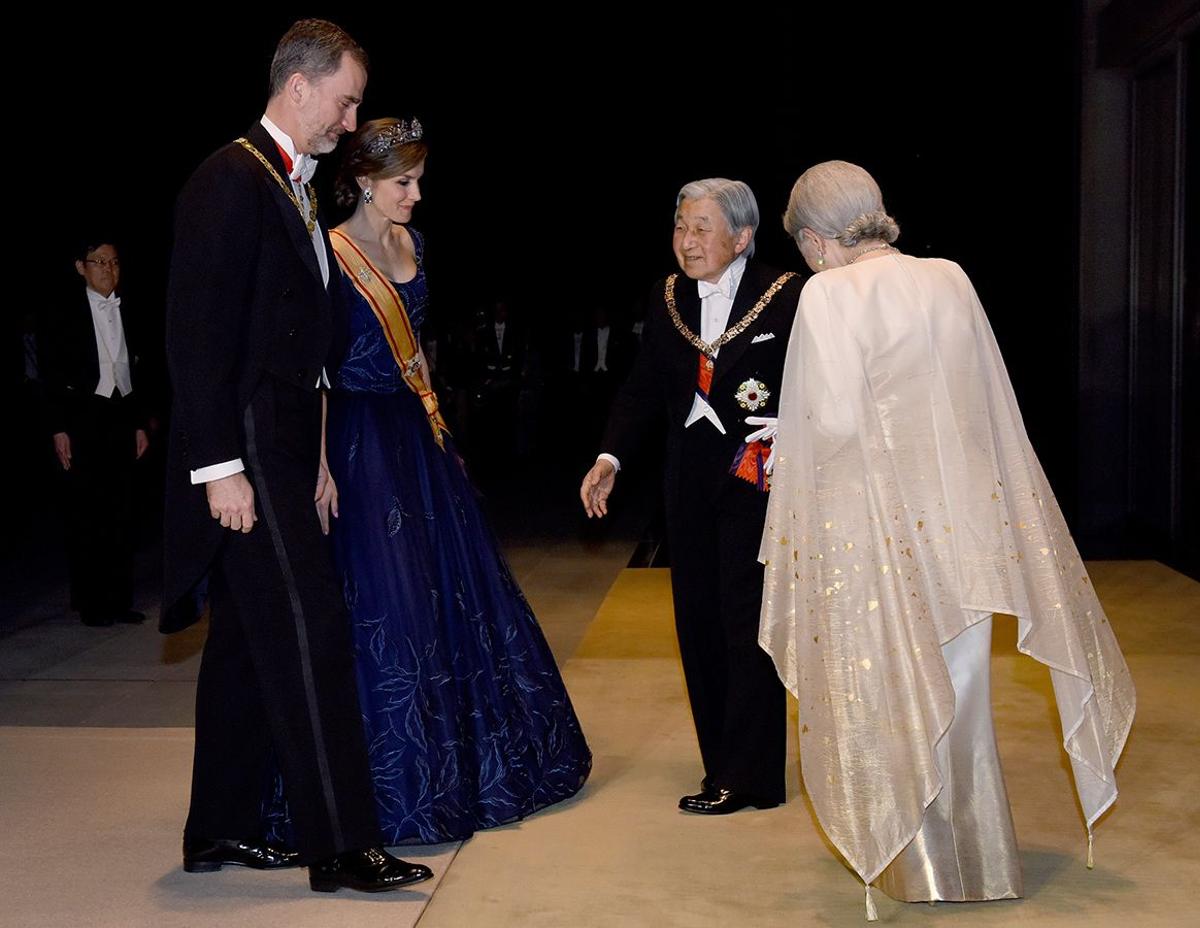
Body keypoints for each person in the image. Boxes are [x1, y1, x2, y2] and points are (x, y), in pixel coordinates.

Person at [758, 160, 1135, 917]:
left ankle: (923, 866)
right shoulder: (952, 277)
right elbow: (982, 396)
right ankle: (984, 861)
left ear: (816, 239)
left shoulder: (827, 295)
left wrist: (785, 436)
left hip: (880, 530)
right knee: (962, 694)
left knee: (889, 687)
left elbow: (833, 422)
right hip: (966, 525)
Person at [260, 117, 590, 846]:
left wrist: (443, 428)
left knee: (452, 593)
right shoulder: (331, 251)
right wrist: (317, 463)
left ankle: (463, 767)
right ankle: (386, 783)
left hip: (416, 436)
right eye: (404, 182)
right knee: (386, 603)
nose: (416, 194)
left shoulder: (415, 244)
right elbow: (315, 369)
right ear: (367, 182)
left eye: (418, 180)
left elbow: (422, 356)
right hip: (356, 441)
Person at [163, 19, 431, 892]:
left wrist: (312, 453)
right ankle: (343, 847)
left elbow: (300, 336)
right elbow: (196, 337)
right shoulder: (229, 179)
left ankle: (219, 828)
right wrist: (219, 469)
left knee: (247, 639)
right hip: (244, 447)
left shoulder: (294, 185)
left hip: (282, 443)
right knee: (315, 632)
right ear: (300, 85)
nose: (351, 120)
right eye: (347, 99)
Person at [580, 179, 802, 814]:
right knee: (698, 620)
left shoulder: (785, 295)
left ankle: (750, 774)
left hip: (757, 479)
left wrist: (798, 426)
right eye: (681, 226)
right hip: (687, 483)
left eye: (703, 227)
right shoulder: (666, 296)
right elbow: (645, 385)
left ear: (741, 235)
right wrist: (609, 456)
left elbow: (821, 375)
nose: (689, 240)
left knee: (745, 621)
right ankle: (721, 766)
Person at [40, 238, 150, 627]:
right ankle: (91, 602)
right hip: (82, 416)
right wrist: (58, 428)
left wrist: (139, 422)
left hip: (119, 412)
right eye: (100, 262)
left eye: (115, 262)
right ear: (80, 267)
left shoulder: (129, 306)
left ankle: (119, 600)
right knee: (88, 514)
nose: (109, 269)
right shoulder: (63, 314)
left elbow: (137, 368)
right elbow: (50, 373)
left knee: (122, 510)